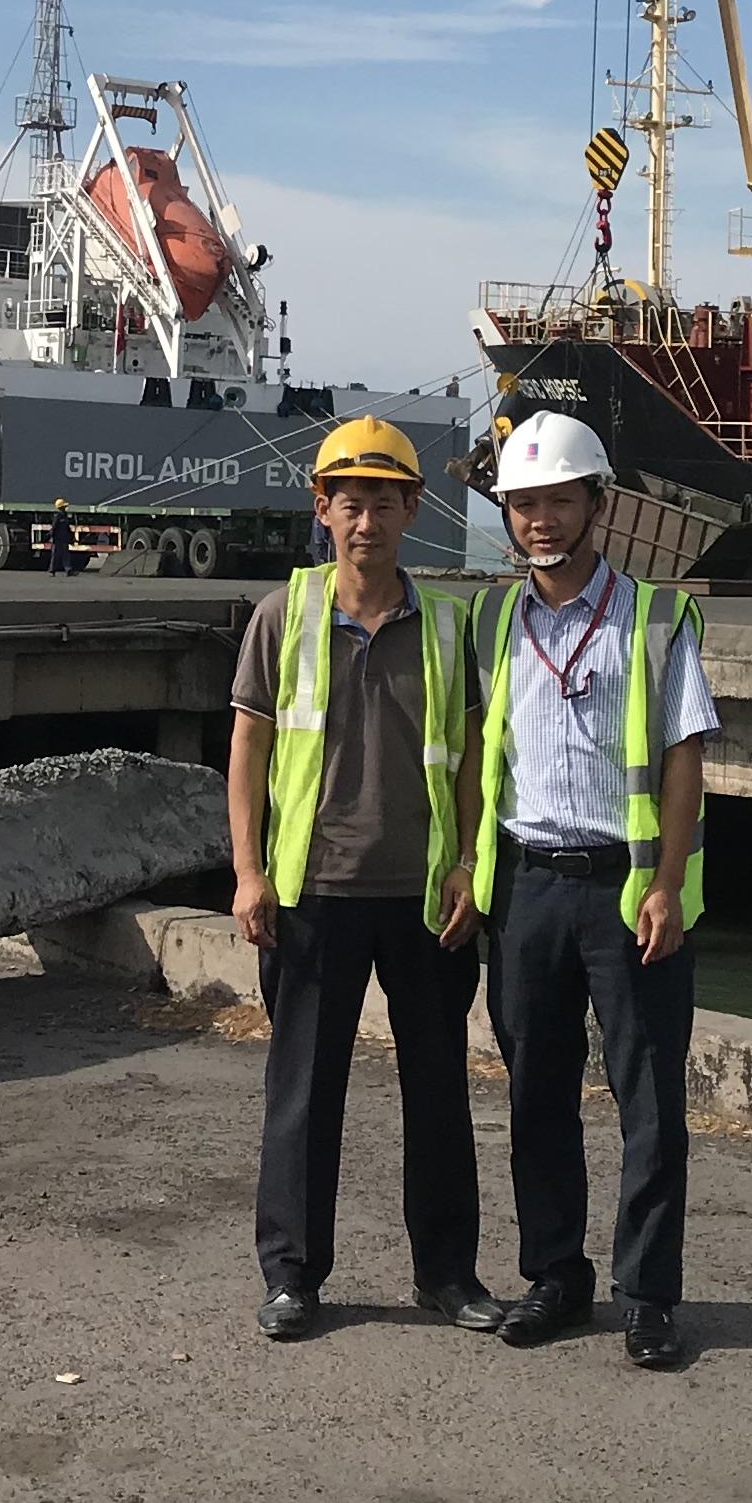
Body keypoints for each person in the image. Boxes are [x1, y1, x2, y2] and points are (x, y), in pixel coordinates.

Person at [225, 418, 500, 1343]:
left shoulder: (448, 624)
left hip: (422, 899)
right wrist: (249, 873)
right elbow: (248, 749)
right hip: (314, 894)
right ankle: (293, 1277)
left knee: (439, 1092)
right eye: (351, 503)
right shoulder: (283, 616)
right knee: (303, 1094)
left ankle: (449, 1276)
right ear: (323, 510)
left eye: (385, 503)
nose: (368, 521)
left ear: (413, 510)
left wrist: (467, 863)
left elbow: (466, 759)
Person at [468, 411, 718, 1371]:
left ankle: (649, 1294)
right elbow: (471, 760)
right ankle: (556, 1276)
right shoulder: (494, 620)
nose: (541, 520)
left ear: (596, 505)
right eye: (524, 505)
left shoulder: (654, 618)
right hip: (527, 884)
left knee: (649, 1097)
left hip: (625, 890)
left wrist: (665, 882)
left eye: (558, 501)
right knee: (535, 1092)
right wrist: (467, 870)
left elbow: (685, 755)